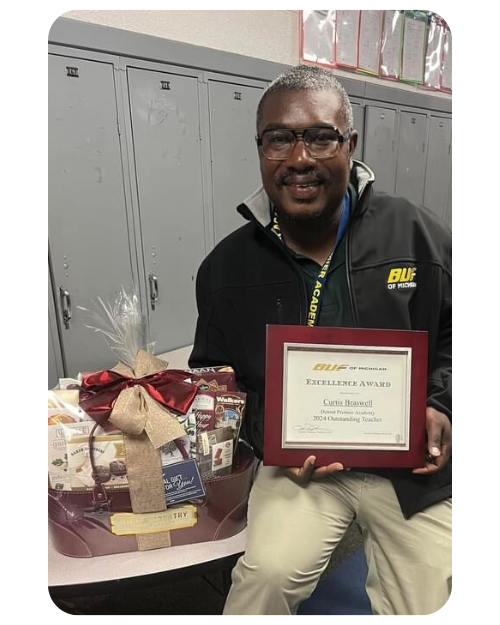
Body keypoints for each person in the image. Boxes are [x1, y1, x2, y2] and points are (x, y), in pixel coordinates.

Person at [189, 64, 451, 615]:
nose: (300, 158)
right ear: (261, 149)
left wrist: (441, 405)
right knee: (263, 580)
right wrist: (270, 435)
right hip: (300, 470)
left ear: (350, 145)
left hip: (410, 468)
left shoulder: (416, 234)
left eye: (321, 137)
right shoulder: (226, 268)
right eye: (279, 139)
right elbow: (216, 385)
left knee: (432, 596)